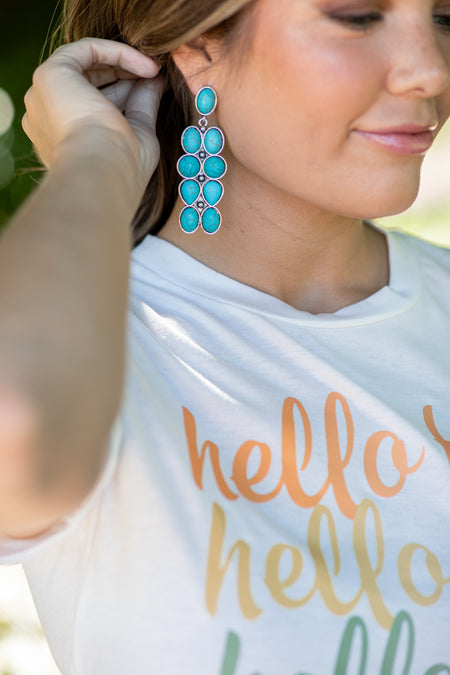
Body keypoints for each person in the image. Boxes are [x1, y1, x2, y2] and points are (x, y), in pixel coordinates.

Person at [0, 0, 450, 671]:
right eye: (357, 15)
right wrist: (94, 157)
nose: (430, 71)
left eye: (446, 17)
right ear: (198, 42)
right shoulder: (91, 331)